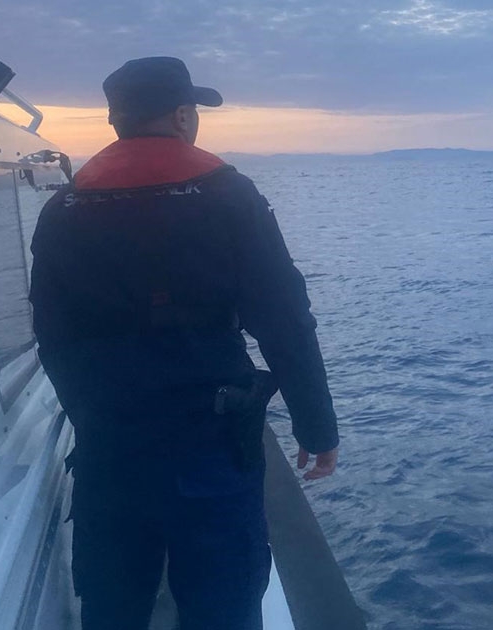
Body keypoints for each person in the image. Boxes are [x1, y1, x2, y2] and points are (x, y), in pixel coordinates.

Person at [29, 57, 341, 630]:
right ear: (180, 116)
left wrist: (93, 417)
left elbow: (51, 337)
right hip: (210, 451)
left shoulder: (63, 209)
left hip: (109, 452)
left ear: (116, 119)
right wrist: (316, 427)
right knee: (224, 605)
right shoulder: (230, 197)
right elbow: (285, 321)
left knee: (113, 607)